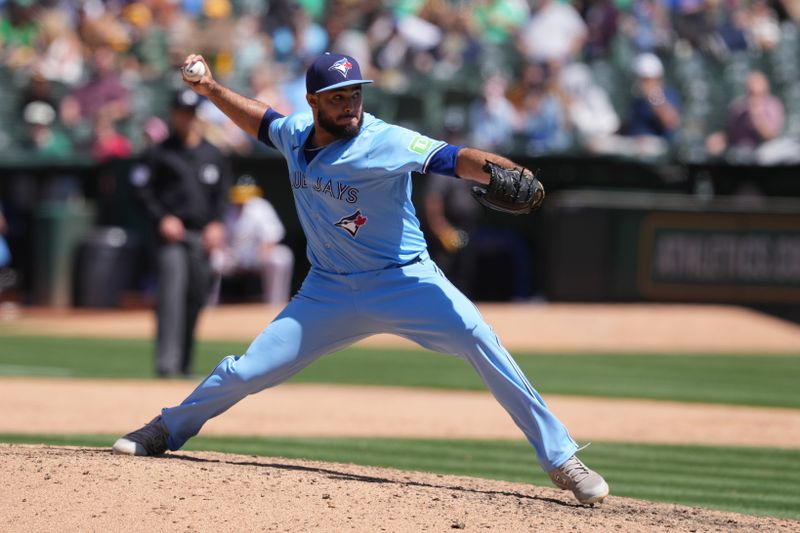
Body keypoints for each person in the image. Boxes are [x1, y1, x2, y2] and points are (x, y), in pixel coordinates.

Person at [113, 52, 609, 505]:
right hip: (327, 290)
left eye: (355, 94)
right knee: (247, 371)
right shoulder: (295, 135)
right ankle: (166, 429)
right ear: (313, 102)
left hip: (405, 281)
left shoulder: (383, 140)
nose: (350, 105)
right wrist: (212, 89)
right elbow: (262, 121)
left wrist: (504, 170)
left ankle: (562, 459)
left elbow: (452, 157)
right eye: (338, 97)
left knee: (480, 339)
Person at [130, 88, 232, 378]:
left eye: (191, 114)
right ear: (173, 115)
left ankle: (185, 364)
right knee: (171, 295)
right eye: (182, 113)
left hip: (201, 236)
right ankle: (167, 365)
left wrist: (217, 223)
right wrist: (161, 218)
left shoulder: (214, 155)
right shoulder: (158, 153)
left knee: (196, 296)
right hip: (171, 238)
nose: (187, 119)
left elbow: (222, 195)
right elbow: (140, 191)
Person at [207, 175, 295, 306]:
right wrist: (222, 249)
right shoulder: (226, 208)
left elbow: (273, 235)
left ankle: (275, 304)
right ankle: (207, 306)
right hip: (232, 256)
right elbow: (218, 237)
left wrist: (264, 252)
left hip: (256, 255)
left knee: (281, 257)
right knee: (214, 259)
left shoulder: (261, 207)